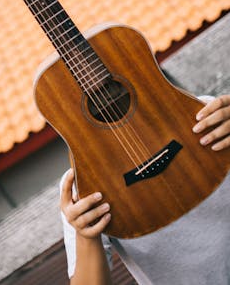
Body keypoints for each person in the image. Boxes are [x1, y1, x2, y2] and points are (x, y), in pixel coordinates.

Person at [60, 94, 230, 285]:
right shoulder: (84, 184)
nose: (107, 102)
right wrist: (85, 237)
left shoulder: (205, 112)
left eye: (112, 89)